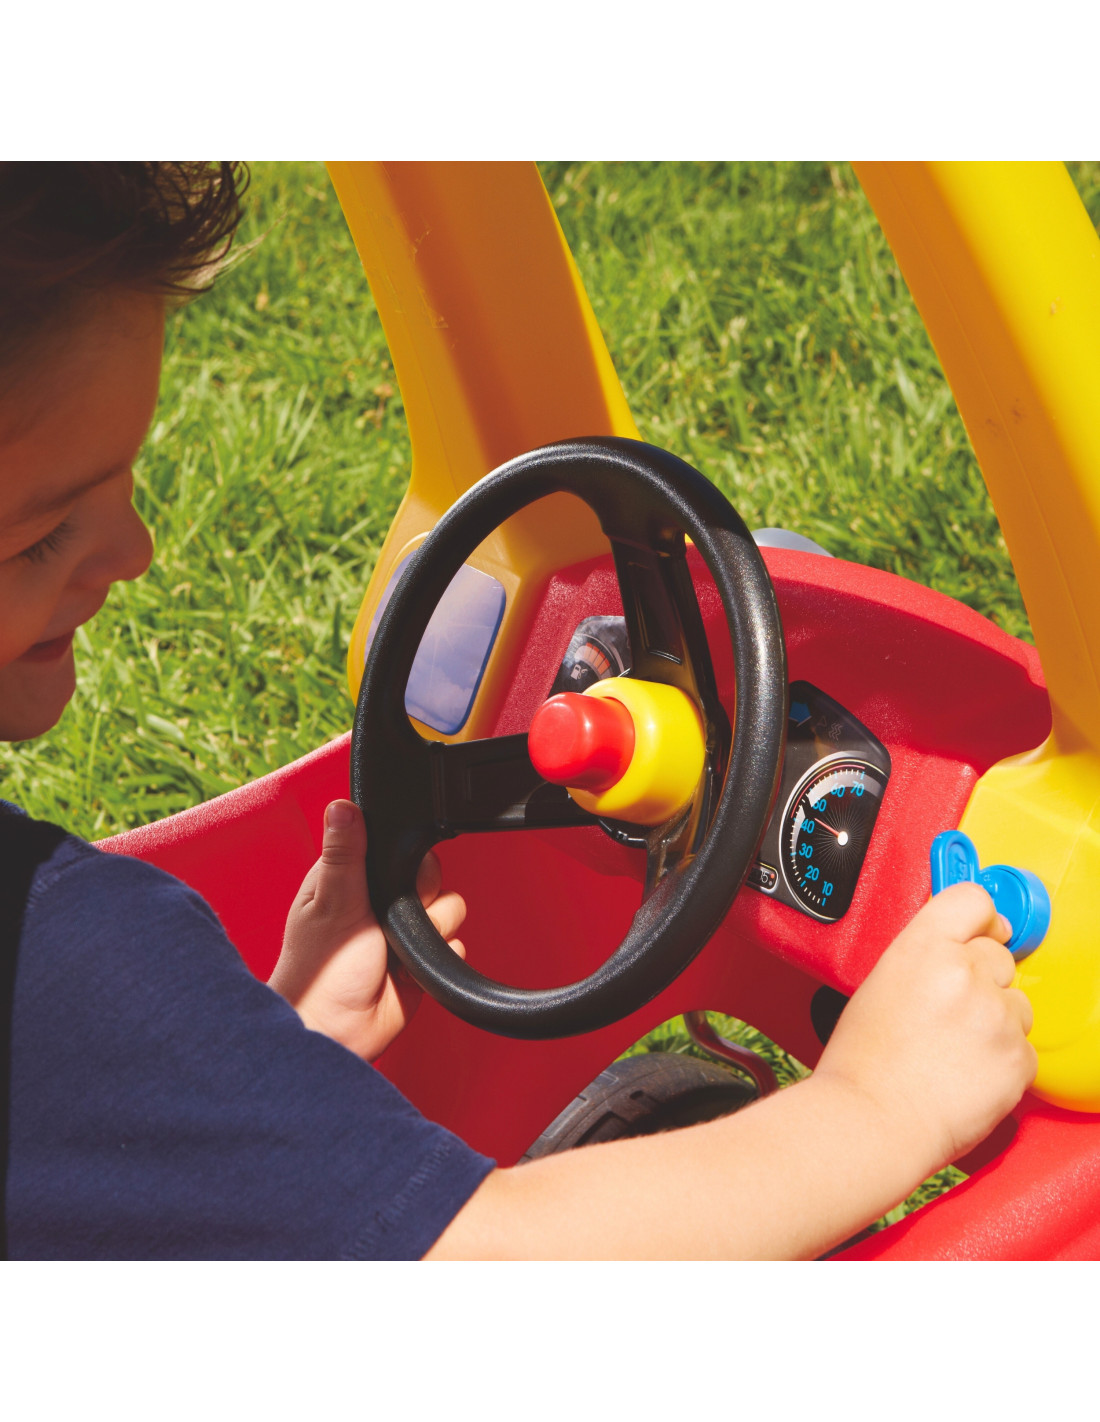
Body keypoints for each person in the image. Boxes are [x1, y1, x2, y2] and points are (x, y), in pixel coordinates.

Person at [0, 162, 1037, 1260]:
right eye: (42, 536)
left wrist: (269, 1064)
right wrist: (879, 1103)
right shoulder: (63, 966)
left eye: (121, 489)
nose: (135, 552)